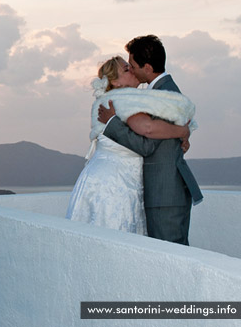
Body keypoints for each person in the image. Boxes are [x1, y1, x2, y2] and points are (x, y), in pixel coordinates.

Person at [66, 56, 195, 235]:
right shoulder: (122, 100)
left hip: (107, 178)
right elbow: (147, 134)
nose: (132, 70)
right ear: (115, 82)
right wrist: (182, 132)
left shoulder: (119, 100)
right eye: (126, 69)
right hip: (114, 184)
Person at [98, 35, 203, 245]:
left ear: (146, 67)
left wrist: (113, 124)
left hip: (166, 194)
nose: (132, 69)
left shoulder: (163, 93)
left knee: (172, 255)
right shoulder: (159, 91)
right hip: (165, 192)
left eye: (133, 65)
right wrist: (183, 133)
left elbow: (147, 140)